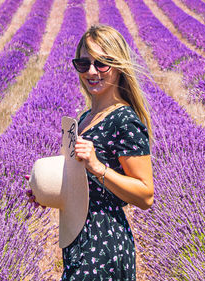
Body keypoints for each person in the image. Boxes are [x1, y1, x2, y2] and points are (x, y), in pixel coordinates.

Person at [29, 24, 154, 280]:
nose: (92, 71)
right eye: (84, 64)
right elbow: (83, 186)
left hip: (104, 244)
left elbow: (145, 195)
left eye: (102, 63)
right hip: (77, 238)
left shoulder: (124, 120)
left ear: (118, 66)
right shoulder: (86, 117)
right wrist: (48, 191)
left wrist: (98, 167)